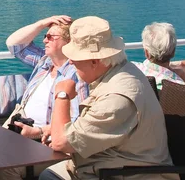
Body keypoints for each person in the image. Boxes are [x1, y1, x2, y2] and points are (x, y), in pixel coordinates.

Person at [41, 16, 177, 180]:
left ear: (94, 61)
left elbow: (60, 143)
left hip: (128, 174)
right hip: (109, 164)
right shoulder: (122, 70)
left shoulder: (117, 97)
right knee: (48, 174)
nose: (70, 61)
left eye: (75, 57)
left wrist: (62, 95)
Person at [0, 16, 89, 180]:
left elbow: (77, 122)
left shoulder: (76, 76)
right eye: (45, 36)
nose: (45, 40)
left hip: (49, 144)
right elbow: (14, 44)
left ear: (68, 42)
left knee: (4, 168)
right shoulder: (44, 62)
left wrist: (37, 132)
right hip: (21, 132)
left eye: (51, 37)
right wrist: (42, 23)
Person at [133, 22, 185, 89]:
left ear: (147, 53)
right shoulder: (179, 86)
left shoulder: (134, 69)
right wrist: (183, 75)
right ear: (173, 52)